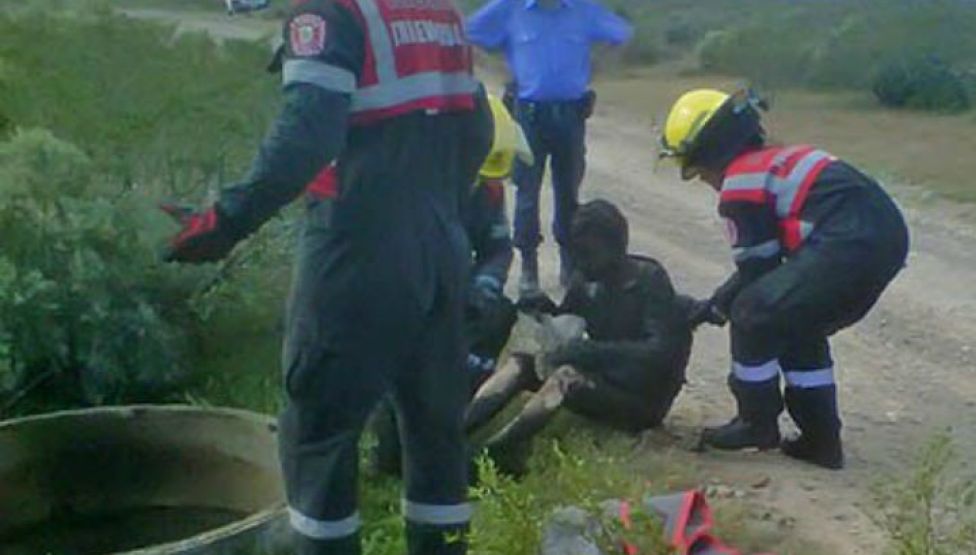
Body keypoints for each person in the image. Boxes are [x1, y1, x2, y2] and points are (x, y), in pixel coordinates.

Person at [161, 0, 493, 553]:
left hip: (358, 254)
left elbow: (306, 137)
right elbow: (477, 129)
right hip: (441, 250)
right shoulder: (438, 10)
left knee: (318, 437)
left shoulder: (330, 14)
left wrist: (224, 221)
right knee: (436, 439)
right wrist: (438, 214)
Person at [657, 89, 910, 470]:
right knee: (794, 318)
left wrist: (717, 306)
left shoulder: (740, 184)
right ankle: (821, 441)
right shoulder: (776, 161)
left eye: (696, 168)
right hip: (884, 234)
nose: (702, 179)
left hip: (848, 241)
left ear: (711, 152)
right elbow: (769, 272)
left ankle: (755, 423)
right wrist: (716, 304)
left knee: (752, 311)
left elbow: (757, 271)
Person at [465, 199, 692, 475]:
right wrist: (544, 310)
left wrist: (593, 352)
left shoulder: (648, 280)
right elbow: (567, 325)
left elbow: (660, 353)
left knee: (566, 377)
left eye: (589, 253)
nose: (582, 261)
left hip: (640, 396)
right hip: (602, 378)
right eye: (577, 252)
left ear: (615, 247)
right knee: (522, 363)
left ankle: (497, 452)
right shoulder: (584, 280)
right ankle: (460, 430)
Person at [370, 94, 529, 478]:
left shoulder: (488, 185)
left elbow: (497, 246)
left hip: (456, 289)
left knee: (497, 314)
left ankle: (457, 412)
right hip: (398, 293)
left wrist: (484, 287)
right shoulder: (405, 182)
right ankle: (386, 438)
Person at [466, 0, 632, 298]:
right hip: (529, 113)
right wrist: (503, 69)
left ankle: (572, 266)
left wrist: (592, 68)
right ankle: (529, 268)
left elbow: (620, 35)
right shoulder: (510, 8)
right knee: (527, 193)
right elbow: (468, 35)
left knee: (568, 193)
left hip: (571, 114)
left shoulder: (582, 9)